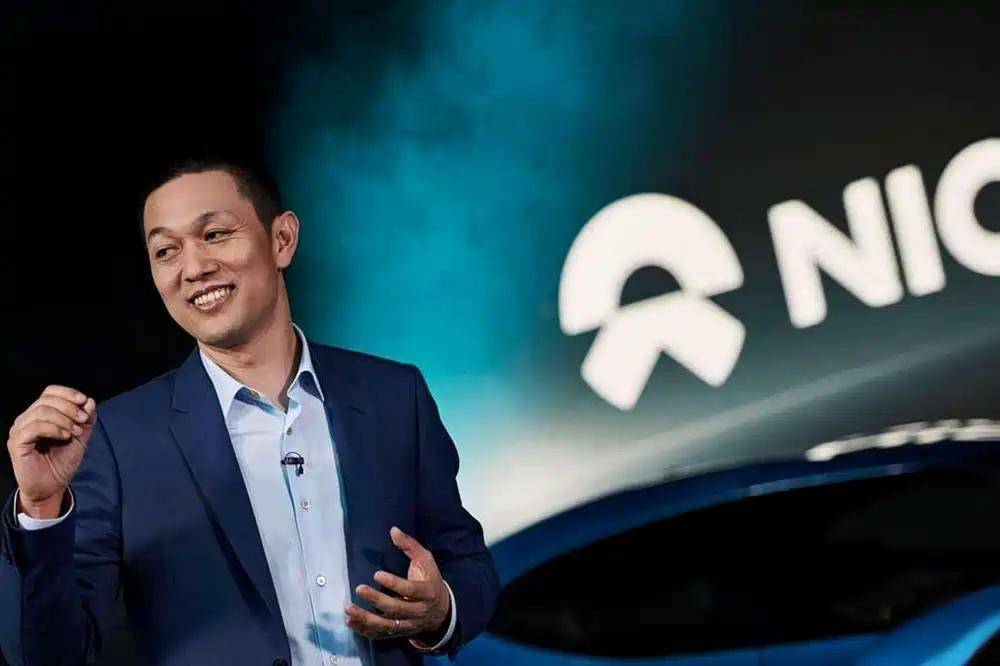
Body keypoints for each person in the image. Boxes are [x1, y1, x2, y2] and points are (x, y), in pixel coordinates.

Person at [0, 160, 499, 665]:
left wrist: (441, 609)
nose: (193, 268)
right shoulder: (118, 438)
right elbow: (46, 655)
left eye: (214, 234)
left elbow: (467, 563)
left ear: (282, 239)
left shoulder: (393, 396)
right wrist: (41, 510)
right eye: (166, 251)